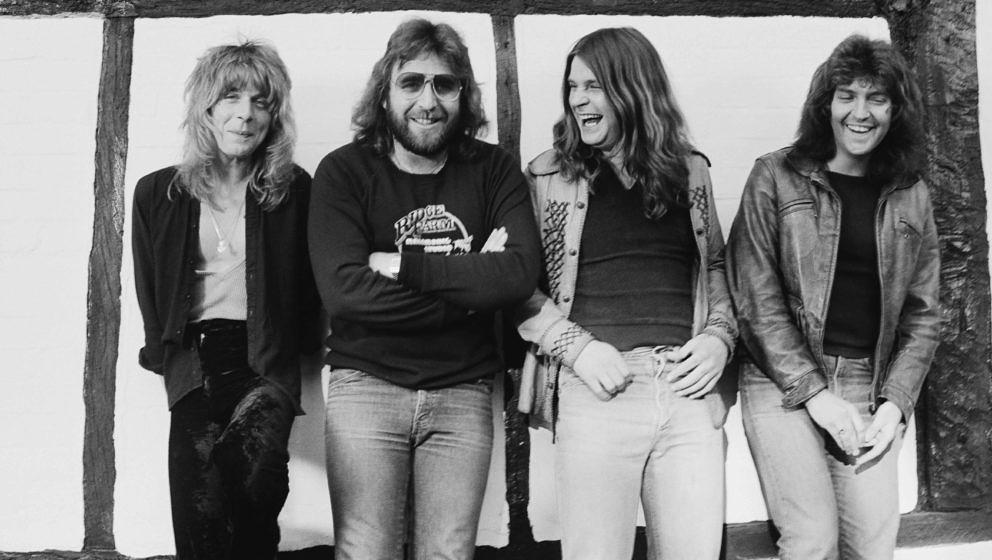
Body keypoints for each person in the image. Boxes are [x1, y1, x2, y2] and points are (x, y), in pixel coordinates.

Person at [308, 18, 540, 560]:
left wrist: (401, 267)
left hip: (463, 390)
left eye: (445, 84)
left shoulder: (494, 170)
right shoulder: (343, 171)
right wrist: (472, 286)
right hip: (366, 386)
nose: (428, 101)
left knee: (449, 553)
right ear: (384, 91)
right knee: (365, 550)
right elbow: (344, 293)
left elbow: (517, 275)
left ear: (463, 94)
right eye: (411, 82)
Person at [515, 27, 738, 560]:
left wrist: (720, 339)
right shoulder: (548, 177)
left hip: (686, 392)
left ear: (632, 87)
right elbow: (515, 284)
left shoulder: (690, 171)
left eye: (593, 86)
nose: (578, 100)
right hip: (596, 391)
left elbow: (716, 268)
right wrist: (576, 348)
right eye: (572, 87)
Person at [726, 34, 940, 559]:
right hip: (781, 382)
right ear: (826, 104)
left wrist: (896, 402)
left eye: (877, 99)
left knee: (872, 548)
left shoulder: (911, 193)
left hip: (870, 384)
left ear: (895, 111)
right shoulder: (775, 176)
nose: (860, 113)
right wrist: (815, 394)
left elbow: (924, 316)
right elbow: (754, 299)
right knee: (812, 539)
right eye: (847, 96)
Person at [131, 40, 321, 559]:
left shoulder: (294, 191)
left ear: (274, 115)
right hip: (193, 364)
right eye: (231, 97)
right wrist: (166, 358)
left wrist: (301, 345)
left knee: (252, 473)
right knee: (199, 520)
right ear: (207, 107)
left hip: (263, 360)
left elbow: (311, 286)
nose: (245, 114)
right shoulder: (158, 193)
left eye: (261, 101)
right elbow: (149, 288)